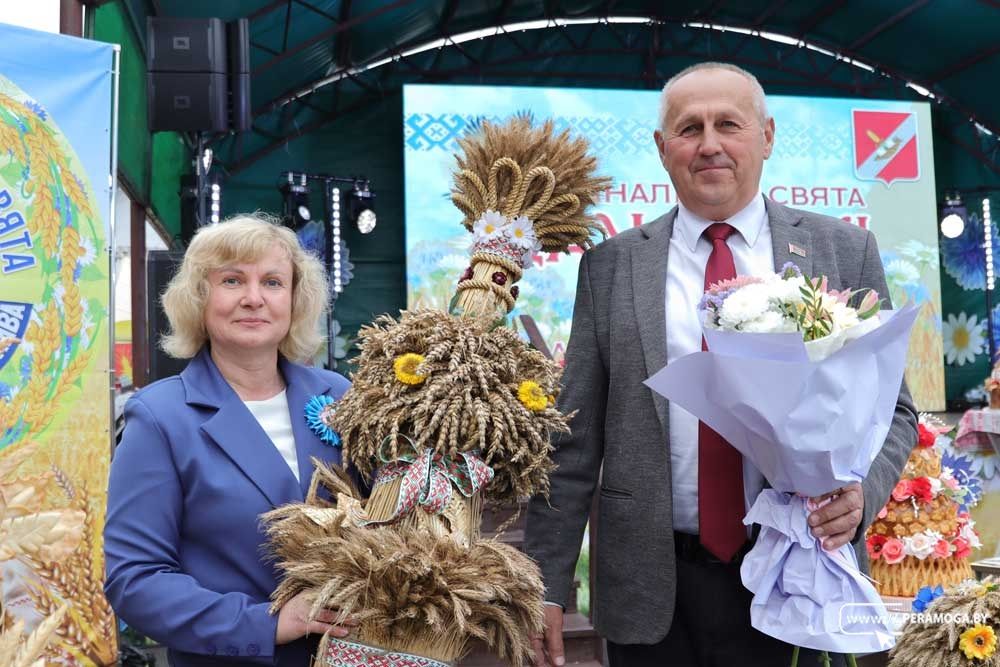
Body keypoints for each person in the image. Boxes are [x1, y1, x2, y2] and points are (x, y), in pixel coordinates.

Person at [524, 62, 919, 667]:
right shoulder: (611, 266)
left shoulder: (842, 249)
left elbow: (894, 410)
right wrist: (545, 584)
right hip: (650, 590)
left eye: (728, 124)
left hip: (798, 572)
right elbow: (572, 442)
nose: (709, 144)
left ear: (767, 136)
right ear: (663, 148)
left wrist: (862, 493)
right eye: (690, 128)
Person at [104, 214, 355, 666]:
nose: (254, 298)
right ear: (200, 298)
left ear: (295, 300)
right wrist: (265, 624)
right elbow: (135, 580)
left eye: (273, 282)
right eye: (233, 280)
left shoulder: (339, 395)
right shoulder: (161, 417)